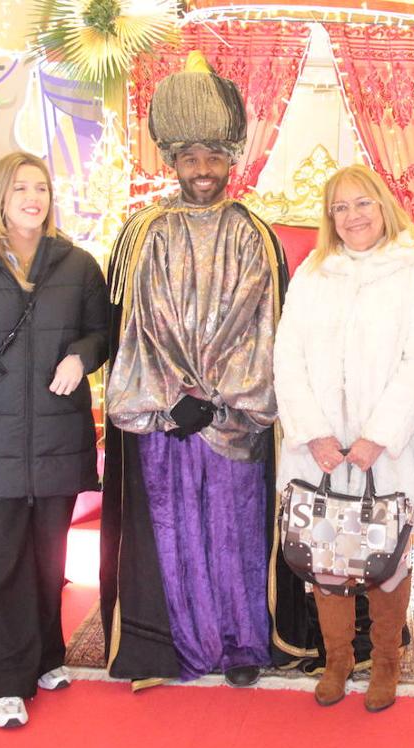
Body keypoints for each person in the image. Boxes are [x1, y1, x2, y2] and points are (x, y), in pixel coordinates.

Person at [100, 52, 315, 689]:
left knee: (234, 534)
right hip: (164, 419)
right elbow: (134, 328)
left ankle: (242, 643)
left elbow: (263, 328)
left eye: (214, 157)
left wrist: (218, 401)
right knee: (173, 534)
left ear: (232, 161)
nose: (202, 169)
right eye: (190, 157)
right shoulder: (142, 233)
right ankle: (177, 643)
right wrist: (174, 398)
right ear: (173, 161)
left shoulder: (255, 234)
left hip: (236, 418)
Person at [0, 151, 109, 728]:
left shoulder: (78, 264)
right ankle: (6, 681)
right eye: (21, 189)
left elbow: (101, 332)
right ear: (0, 199)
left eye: (41, 188)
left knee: (47, 560)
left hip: (58, 437)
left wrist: (81, 357)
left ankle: (45, 657)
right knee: (3, 563)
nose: (33, 198)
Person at [274, 164, 414, 712]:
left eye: (362, 203)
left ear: (383, 204)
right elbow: (288, 356)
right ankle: (338, 662)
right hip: (320, 451)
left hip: (386, 451)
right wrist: (314, 433)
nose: (352, 217)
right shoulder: (313, 272)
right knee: (326, 558)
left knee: (387, 560)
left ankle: (387, 664)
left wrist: (378, 436)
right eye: (340, 208)